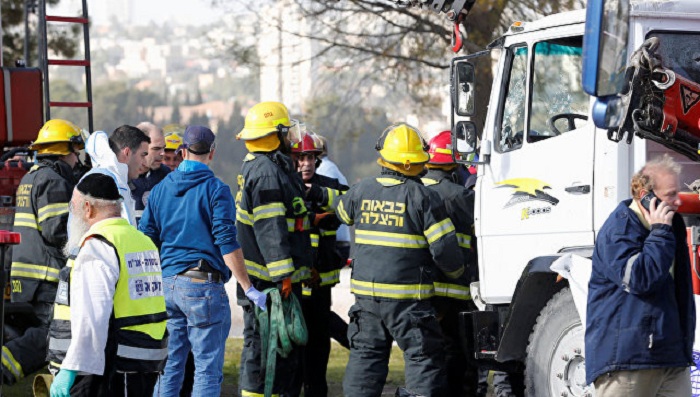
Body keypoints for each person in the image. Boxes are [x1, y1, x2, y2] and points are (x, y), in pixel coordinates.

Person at [331, 123, 464, 397]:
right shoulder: (424, 197)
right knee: (423, 359)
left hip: (366, 299)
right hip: (409, 303)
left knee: (365, 360)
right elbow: (446, 251)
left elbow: (342, 213)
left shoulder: (362, 190)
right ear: (417, 162)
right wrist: (456, 273)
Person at [139, 125, 264, 396]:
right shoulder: (217, 190)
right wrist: (247, 286)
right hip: (202, 286)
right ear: (212, 153)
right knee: (207, 370)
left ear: (182, 152)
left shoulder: (160, 189)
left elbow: (146, 236)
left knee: (169, 366)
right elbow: (226, 241)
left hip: (167, 286)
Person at [49, 173, 168, 396]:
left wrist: (69, 368)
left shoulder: (98, 246)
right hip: (144, 361)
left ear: (87, 208)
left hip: (112, 366)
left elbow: (92, 317)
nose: (72, 215)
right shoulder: (142, 241)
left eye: (73, 207)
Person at [586, 154, 695, 397]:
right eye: (670, 195)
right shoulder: (618, 230)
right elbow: (640, 279)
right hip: (628, 362)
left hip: (671, 358)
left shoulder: (671, 226)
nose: (678, 202)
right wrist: (658, 234)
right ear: (644, 196)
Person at [235, 101, 313, 396]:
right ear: (273, 135)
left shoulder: (260, 165)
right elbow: (271, 229)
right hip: (267, 280)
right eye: (285, 131)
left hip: (262, 278)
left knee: (268, 347)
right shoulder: (267, 171)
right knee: (262, 348)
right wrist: (284, 276)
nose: (290, 136)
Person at [3, 119, 84, 385]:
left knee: (47, 333)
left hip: (27, 276)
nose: (77, 160)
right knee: (56, 333)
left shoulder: (31, 177)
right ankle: (5, 364)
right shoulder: (54, 181)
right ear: (66, 150)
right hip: (45, 278)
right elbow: (57, 231)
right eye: (76, 153)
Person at [421, 130, 480, 396]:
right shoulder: (460, 196)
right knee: (458, 353)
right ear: (454, 166)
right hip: (456, 288)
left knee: (426, 355)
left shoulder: (414, 191)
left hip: (421, 290)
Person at [291, 131, 348, 397]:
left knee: (318, 348)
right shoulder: (285, 186)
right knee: (293, 350)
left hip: (321, 284)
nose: (306, 163)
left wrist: (318, 195)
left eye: (311, 157)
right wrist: (317, 217)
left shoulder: (329, 185)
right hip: (292, 285)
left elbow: (347, 207)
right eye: (301, 157)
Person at [315, 134, 352, 350]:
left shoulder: (324, 172)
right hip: (338, 240)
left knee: (318, 309)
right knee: (319, 308)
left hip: (331, 242)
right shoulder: (333, 169)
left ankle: (350, 341)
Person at [131, 122, 169, 224]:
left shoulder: (167, 176)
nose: (162, 153)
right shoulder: (121, 177)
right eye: (156, 148)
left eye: (163, 148)